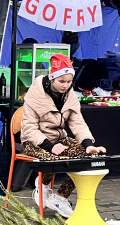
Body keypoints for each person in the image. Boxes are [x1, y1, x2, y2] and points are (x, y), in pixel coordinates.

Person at [20, 53, 106, 216]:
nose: (65, 85)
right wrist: (50, 146)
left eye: (69, 82)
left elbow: (77, 122)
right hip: (35, 142)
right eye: (61, 81)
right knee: (53, 160)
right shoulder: (35, 93)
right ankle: (43, 185)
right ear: (52, 78)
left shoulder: (69, 95)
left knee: (87, 158)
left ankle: (59, 198)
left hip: (59, 140)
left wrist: (88, 145)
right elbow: (29, 128)